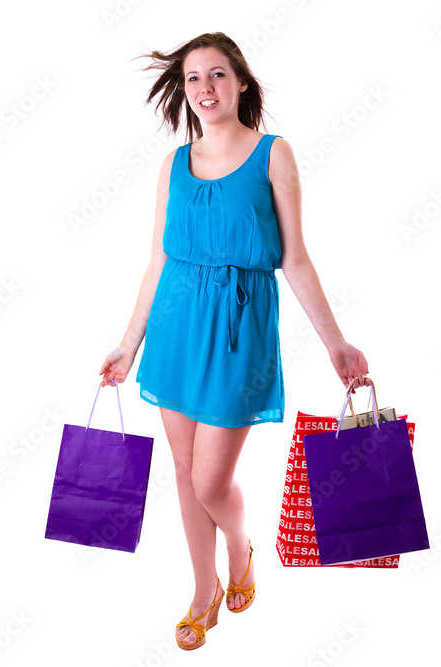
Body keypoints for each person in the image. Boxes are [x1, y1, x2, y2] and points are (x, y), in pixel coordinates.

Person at [98, 32, 371, 651]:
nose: (204, 89)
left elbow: (296, 260)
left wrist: (337, 345)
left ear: (241, 81)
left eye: (216, 75)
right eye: (193, 79)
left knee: (209, 483)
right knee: (183, 470)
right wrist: (128, 343)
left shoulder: (274, 155)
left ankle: (241, 550)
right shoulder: (174, 163)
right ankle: (203, 592)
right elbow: (156, 260)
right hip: (174, 328)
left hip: (238, 333)